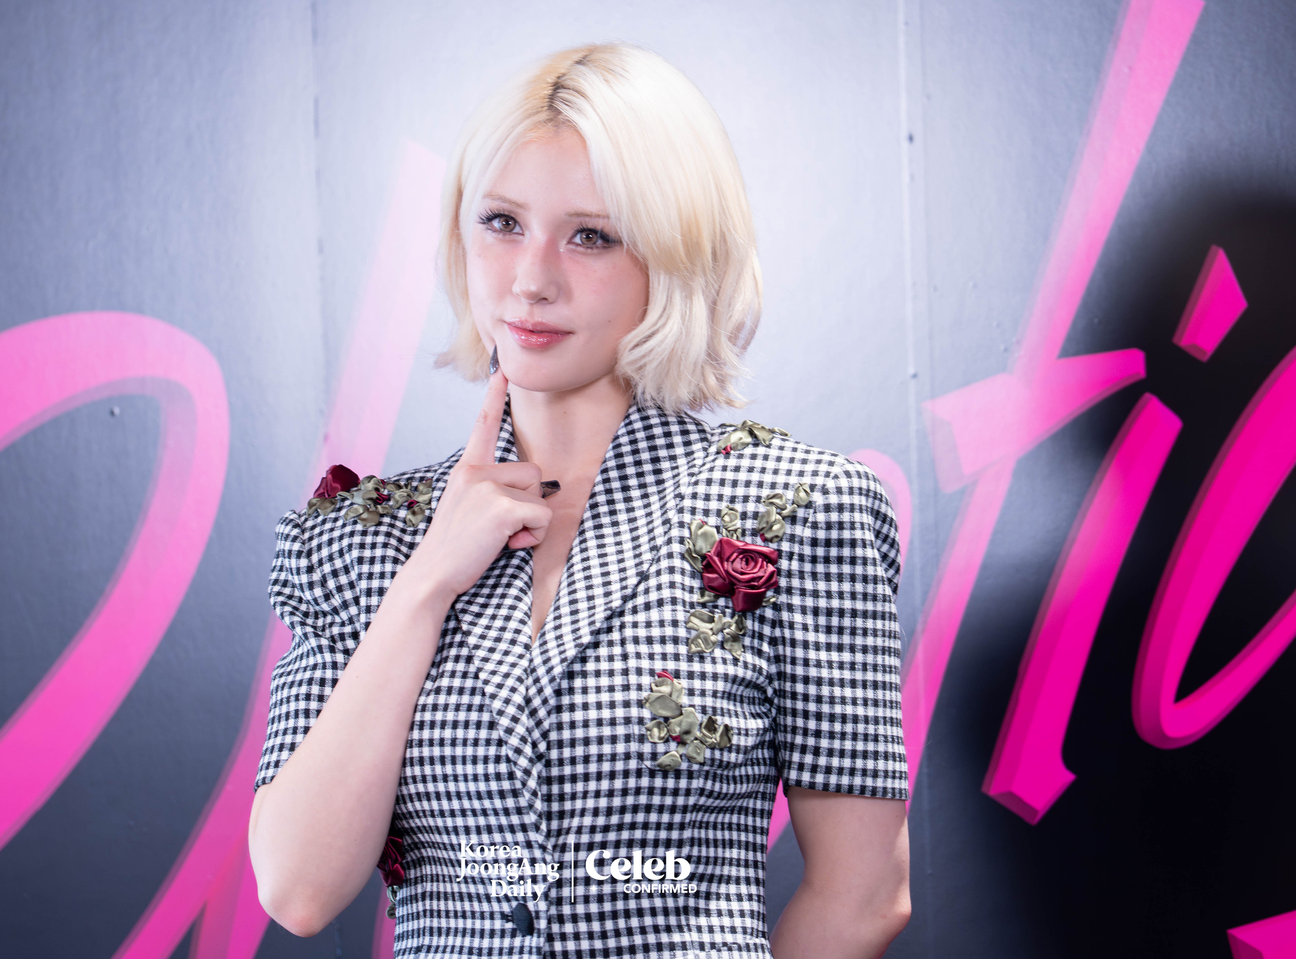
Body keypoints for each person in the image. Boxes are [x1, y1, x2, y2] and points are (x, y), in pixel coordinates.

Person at [247, 41, 910, 958]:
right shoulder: (355, 538)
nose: (530, 278)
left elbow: (863, 895)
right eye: (501, 222)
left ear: (674, 257)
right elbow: (298, 888)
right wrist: (426, 582)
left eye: (589, 235)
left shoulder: (798, 510)